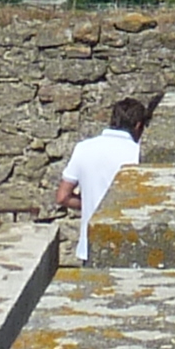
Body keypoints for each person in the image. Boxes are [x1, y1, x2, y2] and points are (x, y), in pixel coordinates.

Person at [52, 98, 152, 263]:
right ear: (138, 125)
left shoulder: (83, 148)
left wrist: (93, 204)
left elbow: (63, 196)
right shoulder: (137, 155)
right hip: (127, 246)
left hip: (90, 246)